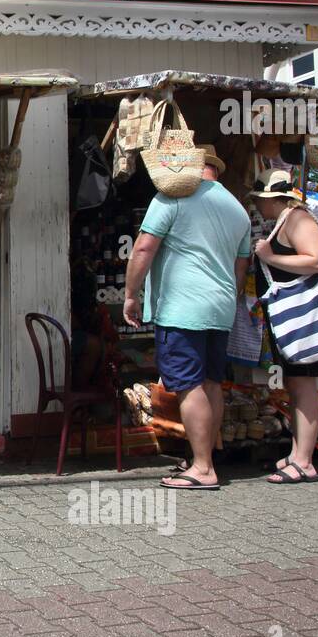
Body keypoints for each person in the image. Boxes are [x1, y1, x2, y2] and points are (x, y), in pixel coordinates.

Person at [123, 145, 251, 490]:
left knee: (186, 385)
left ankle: (203, 468)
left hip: (184, 307)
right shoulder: (237, 207)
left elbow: (144, 248)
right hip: (220, 307)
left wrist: (131, 295)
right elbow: (242, 266)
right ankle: (203, 457)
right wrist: (227, 298)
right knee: (211, 383)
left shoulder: (173, 197)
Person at [251, 168, 318, 484]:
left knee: (304, 385)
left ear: (272, 198)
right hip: (294, 320)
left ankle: (304, 460)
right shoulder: (286, 220)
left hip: (304, 320)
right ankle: (299, 452)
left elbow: (317, 260)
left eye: (259, 199)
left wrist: (270, 257)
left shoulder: (297, 219)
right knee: (297, 386)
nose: (257, 205)